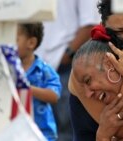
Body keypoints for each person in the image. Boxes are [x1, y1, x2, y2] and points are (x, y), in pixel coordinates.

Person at [35, 0, 100, 140]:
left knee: (66, 131)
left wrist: (68, 54)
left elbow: (91, 24)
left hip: (65, 66)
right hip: (39, 66)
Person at [16, 23, 62, 141]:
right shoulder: (8, 69)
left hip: (42, 134)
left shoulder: (44, 70)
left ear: (31, 43)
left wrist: (27, 89)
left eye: (15, 40)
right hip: (15, 132)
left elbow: (54, 96)